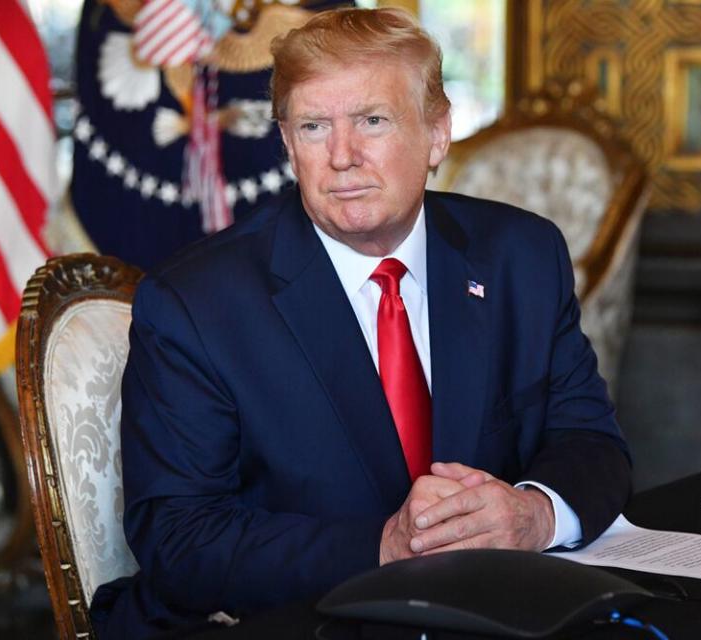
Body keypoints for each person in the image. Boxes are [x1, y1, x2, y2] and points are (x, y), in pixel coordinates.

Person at [90, 7, 631, 638]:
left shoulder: (522, 256)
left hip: (487, 614)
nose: (342, 157)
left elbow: (593, 444)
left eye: (372, 121)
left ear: (437, 133)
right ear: (288, 144)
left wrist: (533, 515)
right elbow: (179, 539)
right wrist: (381, 546)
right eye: (314, 126)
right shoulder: (196, 302)